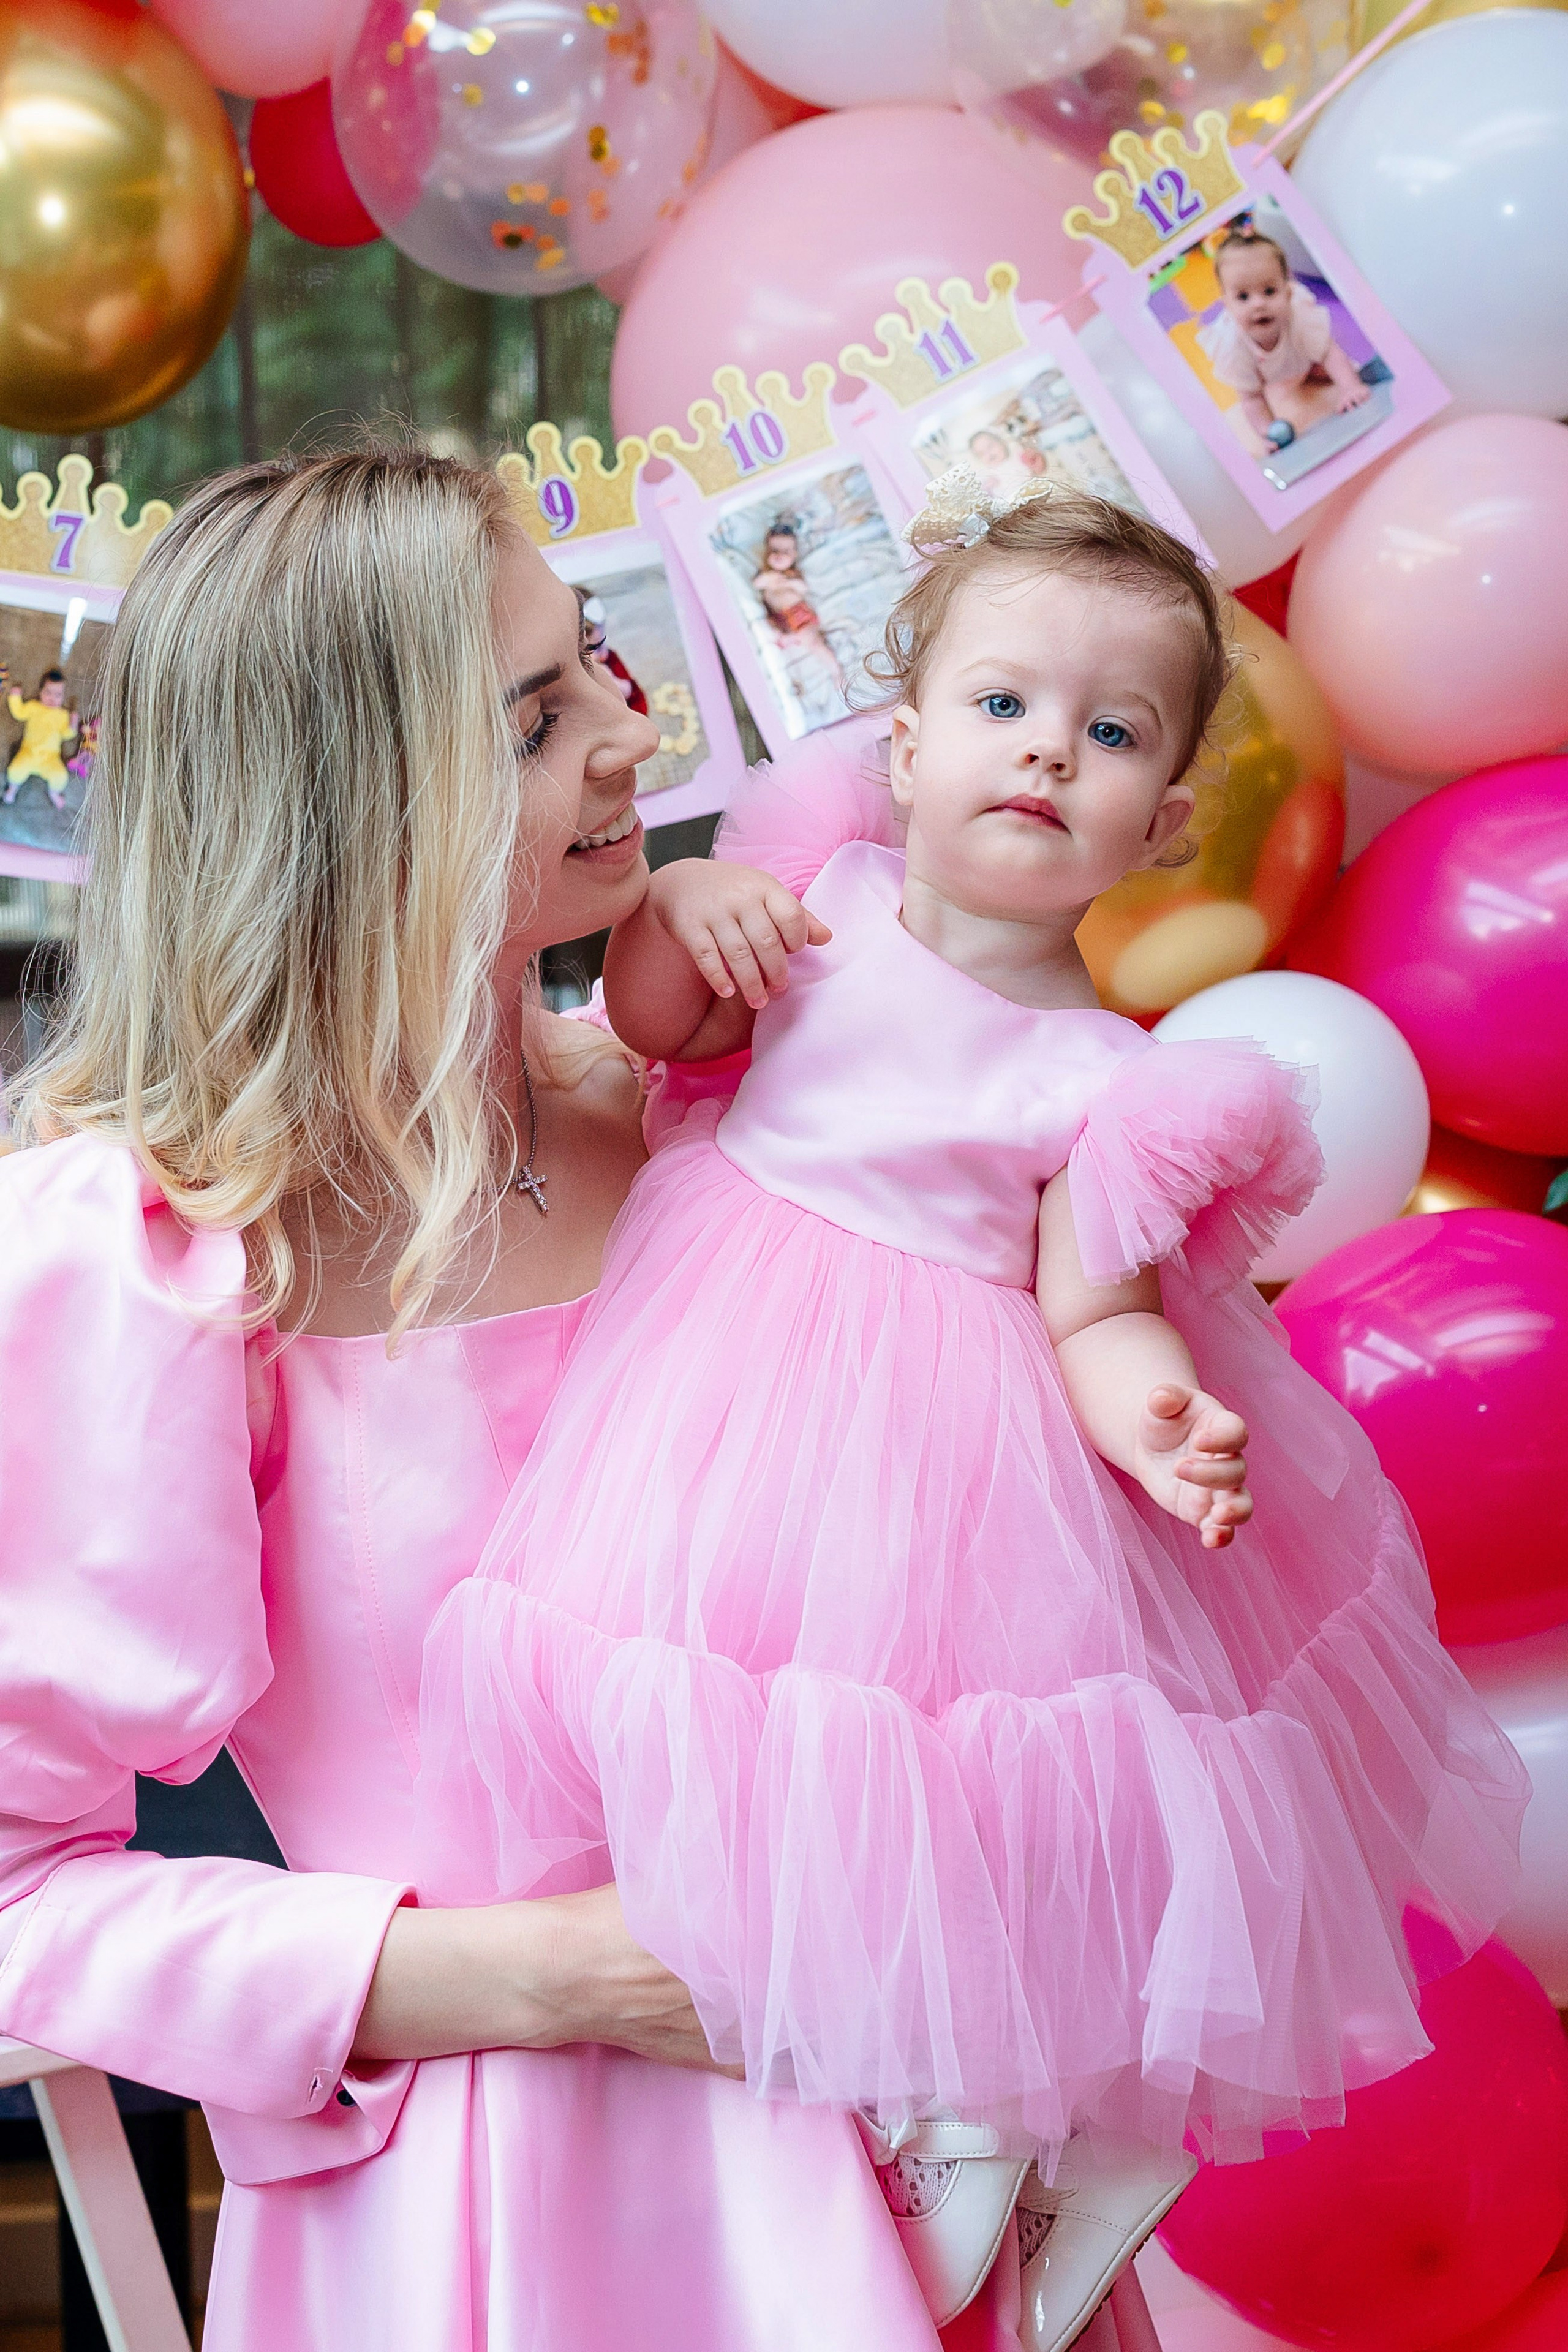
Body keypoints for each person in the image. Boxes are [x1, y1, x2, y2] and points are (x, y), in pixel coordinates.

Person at [416, 469, 1528, 2341]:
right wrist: (690, 899)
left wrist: (1159, 1411)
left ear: (1160, 820)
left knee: (972, 1807)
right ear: (904, 742)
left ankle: (1004, 2130)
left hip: (949, 1466)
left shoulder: (1101, 1071)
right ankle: (830, 2142)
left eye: (1106, 734)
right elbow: (669, 1023)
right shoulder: (823, 898)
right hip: (726, 1409)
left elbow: (1087, 1299)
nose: (1043, 754)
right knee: (758, 1771)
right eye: (1002, 707)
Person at [0, 448, 946, 2352]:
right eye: (533, 718)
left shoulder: (729, 1109)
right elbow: (20, 1896)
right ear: (358, 809)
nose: (624, 730)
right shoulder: (170, 1250)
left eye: (594, 659)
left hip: (915, 2101)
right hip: (506, 2210)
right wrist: (551, 1975)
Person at [1196, 228, 1372, 461]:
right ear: (1226, 303)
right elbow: (1251, 398)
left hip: (1302, 360)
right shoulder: (1233, 346)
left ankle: (1331, 375)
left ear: (1288, 292)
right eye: (1243, 297)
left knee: (1330, 368)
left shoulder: (1298, 317)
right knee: (1257, 399)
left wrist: (1350, 387)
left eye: (1269, 291)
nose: (1258, 304)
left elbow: (1329, 351)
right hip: (1267, 377)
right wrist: (1268, 434)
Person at [752, 520, 846, 696]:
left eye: (786, 552)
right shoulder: (766, 575)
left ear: (794, 555)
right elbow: (757, 584)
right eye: (774, 552)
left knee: (813, 643)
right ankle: (786, 644)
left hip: (799, 616)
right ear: (766, 554)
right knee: (768, 634)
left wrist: (789, 582)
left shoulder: (793, 575)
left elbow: (804, 589)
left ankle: (836, 670)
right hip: (777, 618)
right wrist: (770, 578)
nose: (780, 556)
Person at [2, 665, 80, 810]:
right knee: (15, 770)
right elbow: (19, 713)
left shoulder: (63, 715)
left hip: (50, 758)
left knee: (60, 776)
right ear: (41, 692)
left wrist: (73, 724)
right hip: (29, 752)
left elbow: (67, 734)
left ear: (63, 697)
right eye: (48, 693)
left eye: (58, 695)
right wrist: (15, 696)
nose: (52, 698)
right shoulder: (34, 707)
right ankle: (13, 789)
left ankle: (54, 793)